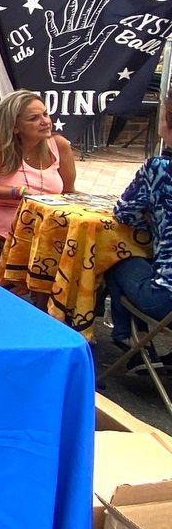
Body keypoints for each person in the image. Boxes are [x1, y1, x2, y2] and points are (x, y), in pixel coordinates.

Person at [104, 93, 172, 373]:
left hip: (165, 300)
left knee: (115, 256)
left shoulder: (159, 169)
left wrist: (155, 221)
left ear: (166, 122)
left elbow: (124, 213)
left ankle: (131, 340)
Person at [0, 89, 77, 240]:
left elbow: (68, 193)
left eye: (45, 114)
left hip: (44, 216)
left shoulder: (59, 145)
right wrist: (19, 192)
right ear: (15, 126)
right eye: (33, 118)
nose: (45, 122)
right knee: (40, 234)